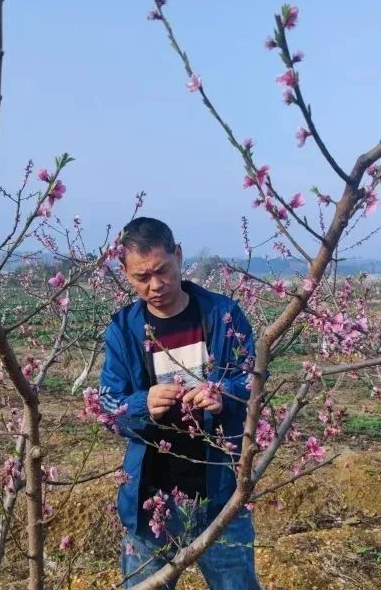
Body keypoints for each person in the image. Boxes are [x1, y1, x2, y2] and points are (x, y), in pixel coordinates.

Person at [99, 217, 261, 589]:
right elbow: (108, 407)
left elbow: (253, 381)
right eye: (142, 277)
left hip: (220, 492)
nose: (155, 286)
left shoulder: (222, 316)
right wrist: (142, 404)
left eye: (163, 271)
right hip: (149, 498)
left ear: (179, 255)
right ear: (124, 272)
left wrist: (223, 394)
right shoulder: (123, 330)